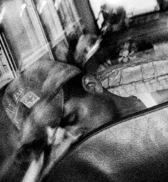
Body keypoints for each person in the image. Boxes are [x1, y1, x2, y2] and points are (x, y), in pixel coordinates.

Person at [1, 60, 149, 173]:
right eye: (57, 138)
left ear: (92, 85)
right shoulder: (113, 169)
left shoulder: (164, 101)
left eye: (72, 119)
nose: (73, 137)